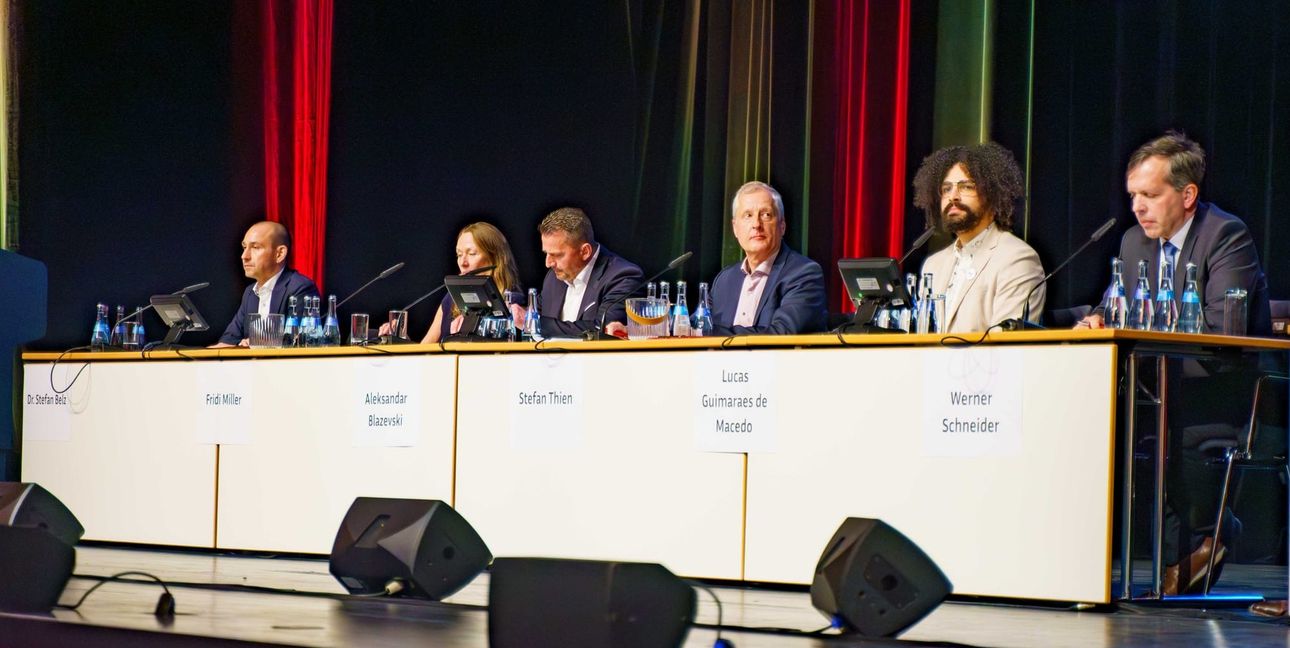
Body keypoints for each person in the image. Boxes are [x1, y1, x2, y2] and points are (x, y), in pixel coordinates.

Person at [1078, 131, 1272, 595]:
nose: (1138, 208)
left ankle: (1208, 536)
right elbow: (1116, 306)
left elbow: (1225, 329)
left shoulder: (1225, 235)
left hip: (1221, 392)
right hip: (1153, 386)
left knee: (1171, 442)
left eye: (1150, 195)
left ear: (1187, 195)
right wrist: (1096, 320)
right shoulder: (1131, 243)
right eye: (1133, 197)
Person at [912, 143, 1045, 333]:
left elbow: (1007, 343)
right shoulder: (933, 265)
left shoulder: (1018, 258)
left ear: (992, 195)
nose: (953, 197)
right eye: (946, 189)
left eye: (966, 187)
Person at [710, 181, 827, 335]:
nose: (756, 224)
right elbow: (696, 327)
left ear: (782, 226)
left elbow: (781, 334)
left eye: (766, 215)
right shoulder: (724, 280)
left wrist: (713, 334)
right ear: (735, 228)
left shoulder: (803, 273)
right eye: (748, 215)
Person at [537, 207, 643, 338]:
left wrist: (535, 324)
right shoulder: (553, 278)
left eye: (557, 255)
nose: (548, 263)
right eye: (546, 254)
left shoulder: (623, 277)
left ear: (585, 251)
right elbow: (536, 313)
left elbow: (602, 330)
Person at [213, 221, 319, 347]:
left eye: (255, 247)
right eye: (244, 247)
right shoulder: (249, 293)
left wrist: (259, 342)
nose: (244, 256)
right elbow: (228, 341)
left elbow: (300, 342)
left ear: (279, 254)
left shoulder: (300, 288)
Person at [418, 222, 524, 343]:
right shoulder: (450, 299)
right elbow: (424, 348)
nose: (463, 262)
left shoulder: (513, 303)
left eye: (472, 254)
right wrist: (399, 340)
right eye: (459, 254)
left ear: (495, 258)